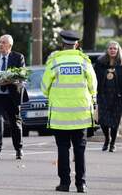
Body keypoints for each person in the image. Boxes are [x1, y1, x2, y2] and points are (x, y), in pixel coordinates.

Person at [41, 30, 97, 193]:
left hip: (60, 117)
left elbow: (44, 88)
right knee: (80, 150)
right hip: (81, 116)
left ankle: (64, 183)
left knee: (63, 149)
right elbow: (93, 85)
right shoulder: (84, 61)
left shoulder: (55, 61)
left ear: (62, 44)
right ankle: (81, 184)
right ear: (76, 45)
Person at [0, 34, 28, 160]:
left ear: (10, 46)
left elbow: (21, 76)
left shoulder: (18, 57)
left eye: (4, 43)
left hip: (12, 96)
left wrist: (7, 80)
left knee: (15, 123)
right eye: (0, 42)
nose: (1, 45)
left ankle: (18, 149)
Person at [94, 41, 122, 152]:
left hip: (118, 96)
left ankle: (112, 144)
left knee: (115, 121)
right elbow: (94, 79)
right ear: (107, 50)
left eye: (115, 48)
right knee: (103, 121)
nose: (112, 50)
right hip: (103, 95)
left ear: (118, 50)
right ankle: (107, 138)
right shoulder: (100, 62)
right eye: (110, 48)